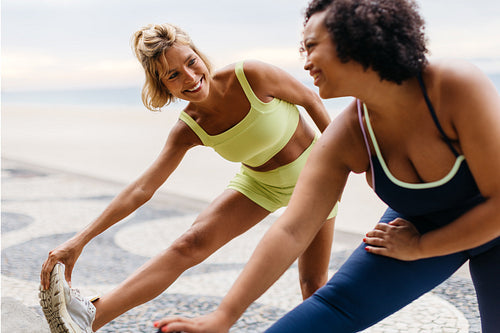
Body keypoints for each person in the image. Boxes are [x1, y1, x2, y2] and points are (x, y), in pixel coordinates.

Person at [155, 0, 500, 332]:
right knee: (333, 307)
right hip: (412, 231)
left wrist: (422, 248)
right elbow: (292, 230)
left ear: (358, 36)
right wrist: (223, 317)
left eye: (312, 46)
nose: (305, 63)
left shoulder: (453, 86)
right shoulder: (348, 134)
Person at [38, 22, 339, 333]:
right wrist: (79, 241)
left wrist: (339, 162)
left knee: (312, 285)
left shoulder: (251, 75)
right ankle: (90, 318)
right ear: (163, 86)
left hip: (316, 179)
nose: (191, 78)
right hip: (260, 185)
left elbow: (311, 100)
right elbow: (142, 189)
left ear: (199, 55)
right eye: (173, 75)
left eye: (191, 62)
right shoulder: (189, 128)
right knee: (189, 243)